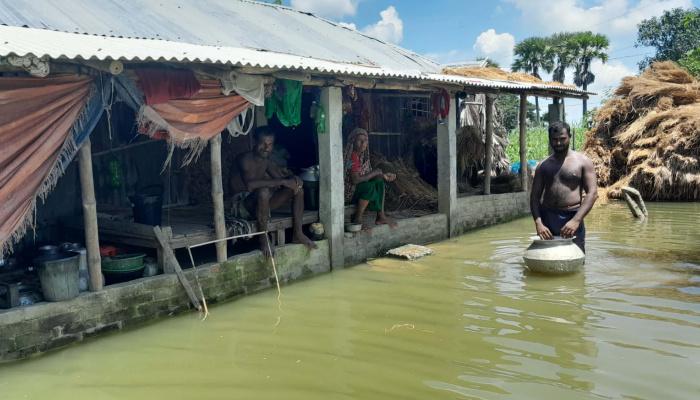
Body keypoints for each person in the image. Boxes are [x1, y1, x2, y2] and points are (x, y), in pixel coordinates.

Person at [237, 127, 317, 257]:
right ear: (254, 142)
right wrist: (282, 182)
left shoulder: (266, 161)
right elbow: (250, 185)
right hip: (242, 206)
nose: (266, 147)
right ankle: (263, 238)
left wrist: (293, 179)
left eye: (269, 144)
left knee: (297, 189)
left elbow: (281, 178)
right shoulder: (244, 159)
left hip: (260, 206)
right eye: (262, 143)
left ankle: (298, 233)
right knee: (263, 191)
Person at [530, 121, 597, 252]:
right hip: (548, 217)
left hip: (572, 215)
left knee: (576, 256)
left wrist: (576, 220)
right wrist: (539, 223)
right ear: (550, 140)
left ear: (570, 137)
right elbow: (534, 197)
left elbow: (592, 193)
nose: (559, 143)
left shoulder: (583, 162)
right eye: (555, 140)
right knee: (547, 257)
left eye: (562, 139)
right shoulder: (543, 165)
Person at [343, 128, 396, 229]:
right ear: (353, 141)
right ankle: (357, 219)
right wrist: (376, 172)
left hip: (358, 189)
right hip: (349, 192)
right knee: (369, 187)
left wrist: (383, 175)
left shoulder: (362, 156)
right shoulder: (352, 157)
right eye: (360, 140)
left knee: (379, 181)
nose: (363, 143)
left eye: (365, 140)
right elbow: (355, 180)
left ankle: (381, 216)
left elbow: (368, 174)